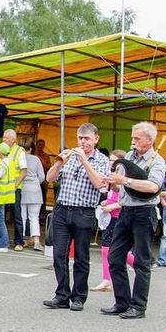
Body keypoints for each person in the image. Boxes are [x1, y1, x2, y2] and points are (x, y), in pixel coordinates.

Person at [42, 123, 110, 311]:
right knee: (59, 255)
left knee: (81, 257)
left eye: (86, 138)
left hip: (84, 211)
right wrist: (58, 162)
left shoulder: (102, 160)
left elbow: (100, 184)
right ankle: (62, 295)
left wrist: (84, 161)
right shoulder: (70, 157)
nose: (82, 142)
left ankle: (78, 297)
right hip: (63, 210)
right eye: (80, 138)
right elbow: (49, 178)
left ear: (96, 139)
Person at [102, 122, 166, 319]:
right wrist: (114, 184)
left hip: (144, 213)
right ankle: (122, 302)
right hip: (126, 211)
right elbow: (121, 187)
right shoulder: (129, 157)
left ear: (149, 140)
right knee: (114, 258)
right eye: (133, 137)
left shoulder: (158, 161)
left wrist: (126, 181)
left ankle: (138, 307)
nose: (133, 142)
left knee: (141, 261)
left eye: (137, 138)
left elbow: (153, 187)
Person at [93, 150, 134, 292]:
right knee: (105, 248)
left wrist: (112, 206)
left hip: (119, 216)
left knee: (116, 249)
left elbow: (127, 200)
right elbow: (112, 194)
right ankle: (106, 280)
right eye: (110, 160)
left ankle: (138, 264)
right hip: (110, 216)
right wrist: (106, 203)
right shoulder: (111, 177)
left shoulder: (124, 178)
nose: (111, 163)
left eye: (114, 161)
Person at [2, 129, 29, 250]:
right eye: (3, 137)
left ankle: (19, 242)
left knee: (16, 214)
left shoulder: (19, 151)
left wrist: (15, 185)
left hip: (14, 188)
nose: (4, 140)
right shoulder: (1, 150)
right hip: (2, 187)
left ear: (13, 140)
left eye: (6, 138)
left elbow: (23, 172)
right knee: (0, 215)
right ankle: (1, 240)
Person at [20, 141, 46, 252]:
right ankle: (36, 241)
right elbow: (42, 177)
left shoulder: (19, 159)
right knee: (34, 217)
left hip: (22, 188)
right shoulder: (36, 159)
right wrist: (35, 182)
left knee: (22, 216)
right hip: (35, 189)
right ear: (31, 148)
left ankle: (22, 239)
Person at [0, 143, 14, 253]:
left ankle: (3, 244)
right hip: (6, 194)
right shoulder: (10, 162)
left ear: (1, 152)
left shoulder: (2, 165)